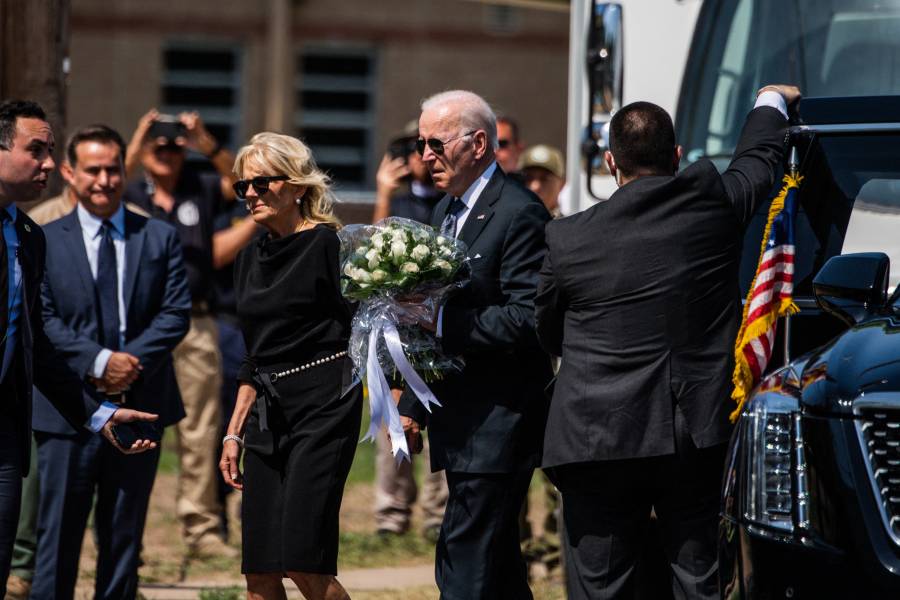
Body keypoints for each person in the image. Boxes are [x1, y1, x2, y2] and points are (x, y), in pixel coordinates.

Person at [534, 84, 800, 600]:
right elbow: (760, 160)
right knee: (699, 582)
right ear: (677, 156)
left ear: (611, 162)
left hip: (595, 437)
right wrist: (769, 98)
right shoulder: (712, 208)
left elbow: (548, 329)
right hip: (691, 434)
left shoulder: (567, 238)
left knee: (602, 587)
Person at [398, 90, 553, 600]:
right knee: (499, 568)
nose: (425, 155)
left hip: (499, 422)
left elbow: (528, 319)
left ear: (479, 143)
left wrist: (440, 321)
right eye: (422, 144)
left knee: (463, 562)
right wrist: (414, 402)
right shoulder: (447, 208)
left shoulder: (519, 211)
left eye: (436, 144)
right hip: (460, 417)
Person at [0, 100, 158, 588]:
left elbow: (36, 349)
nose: (48, 164)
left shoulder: (27, 235)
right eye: (36, 150)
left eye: (50, 151)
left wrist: (98, 413)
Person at [28, 124, 191, 599]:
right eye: (92, 170)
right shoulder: (44, 238)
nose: (104, 180)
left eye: (113, 169)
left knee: (123, 537)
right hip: (68, 410)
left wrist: (128, 362)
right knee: (56, 536)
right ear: (70, 174)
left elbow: (175, 312)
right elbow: (45, 319)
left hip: (140, 404)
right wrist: (98, 362)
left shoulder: (158, 236)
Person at [218, 132, 362, 600]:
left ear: (298, 187)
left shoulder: (328, 246)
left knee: (305, 561)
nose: (252, 194)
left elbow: (369, 327)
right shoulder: (248, 260)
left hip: (324, 404)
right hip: (267, 410)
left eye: (263, 183)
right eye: (244, 187)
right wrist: (233, 432)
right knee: (259, 572)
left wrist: (398, 398)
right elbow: (254, 355)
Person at [123, 109, 245, 558]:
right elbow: (104, 181)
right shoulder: (130, 191)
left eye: (175, 146)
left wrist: (204, 141)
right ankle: (126, 533)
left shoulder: (201, 187)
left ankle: (202, 530)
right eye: (159, 145)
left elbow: (242, 184)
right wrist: (139, 135)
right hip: (141, 326)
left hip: (195, 322)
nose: (167, 152)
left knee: (200, 430)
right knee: (136, 425)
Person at [370, 121, 447, 540]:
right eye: (412, 149)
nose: (420, 157)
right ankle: (391, 514)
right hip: (395, 328)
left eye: (428, 147)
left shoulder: (449, 202)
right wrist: (383, 191)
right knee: (391, 422)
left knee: (438, 416)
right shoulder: (398, 201)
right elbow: (373, 251)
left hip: (437, 327)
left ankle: (438, 515)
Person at [521, 144, 565, 218]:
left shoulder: (571, 227)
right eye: (528, 178)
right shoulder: (509, 225)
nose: (535, 187)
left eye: (544, 179)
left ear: (562, 184)